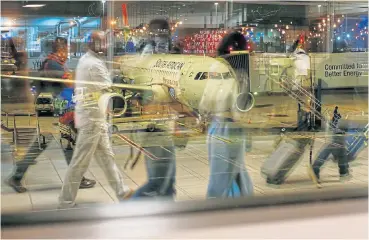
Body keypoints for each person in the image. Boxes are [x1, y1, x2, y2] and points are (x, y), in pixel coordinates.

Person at [7, 37, 96, 193]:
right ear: (60, 49)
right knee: (54, 144)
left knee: (64, 144)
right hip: (53, 111)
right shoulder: (53, 63)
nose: (67, 54)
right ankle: (16, 177)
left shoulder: (53, 62)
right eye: (66, 50)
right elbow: (69, 83)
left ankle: (76, 178)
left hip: (56, 109)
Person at [58, 31, 131, 208]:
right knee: (79, 163)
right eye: (102, 43)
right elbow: (108, 88)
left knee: (107, 158)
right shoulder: (95, 64)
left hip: (93, 118)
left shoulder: (85, 59)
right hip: (92, 120)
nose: (105, 46)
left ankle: (122, 192)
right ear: (94, 44)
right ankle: (65, 202)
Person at [198, 33, 254, 198]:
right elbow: (238, 110)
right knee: (227, 178)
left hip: (215, 129)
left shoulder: (215, 68)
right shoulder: (240, 73)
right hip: (231, 129)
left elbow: (204, 104)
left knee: (229, 174)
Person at [130, 19, 177, 199]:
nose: (163, 36)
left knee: (166, 185)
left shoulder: (164, 56)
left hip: (162, 126)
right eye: (160, 32)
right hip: (155, 127)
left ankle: (168, 221)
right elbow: (148, 90)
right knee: (158, 184)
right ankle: (128, 214)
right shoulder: (149, 56)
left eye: (165, 32)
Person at [309, 106, 351, 185]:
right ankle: (343, 171)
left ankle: (343, 171)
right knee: (337, 142)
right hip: (338, 103)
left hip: (339, 104)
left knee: (338, 141)